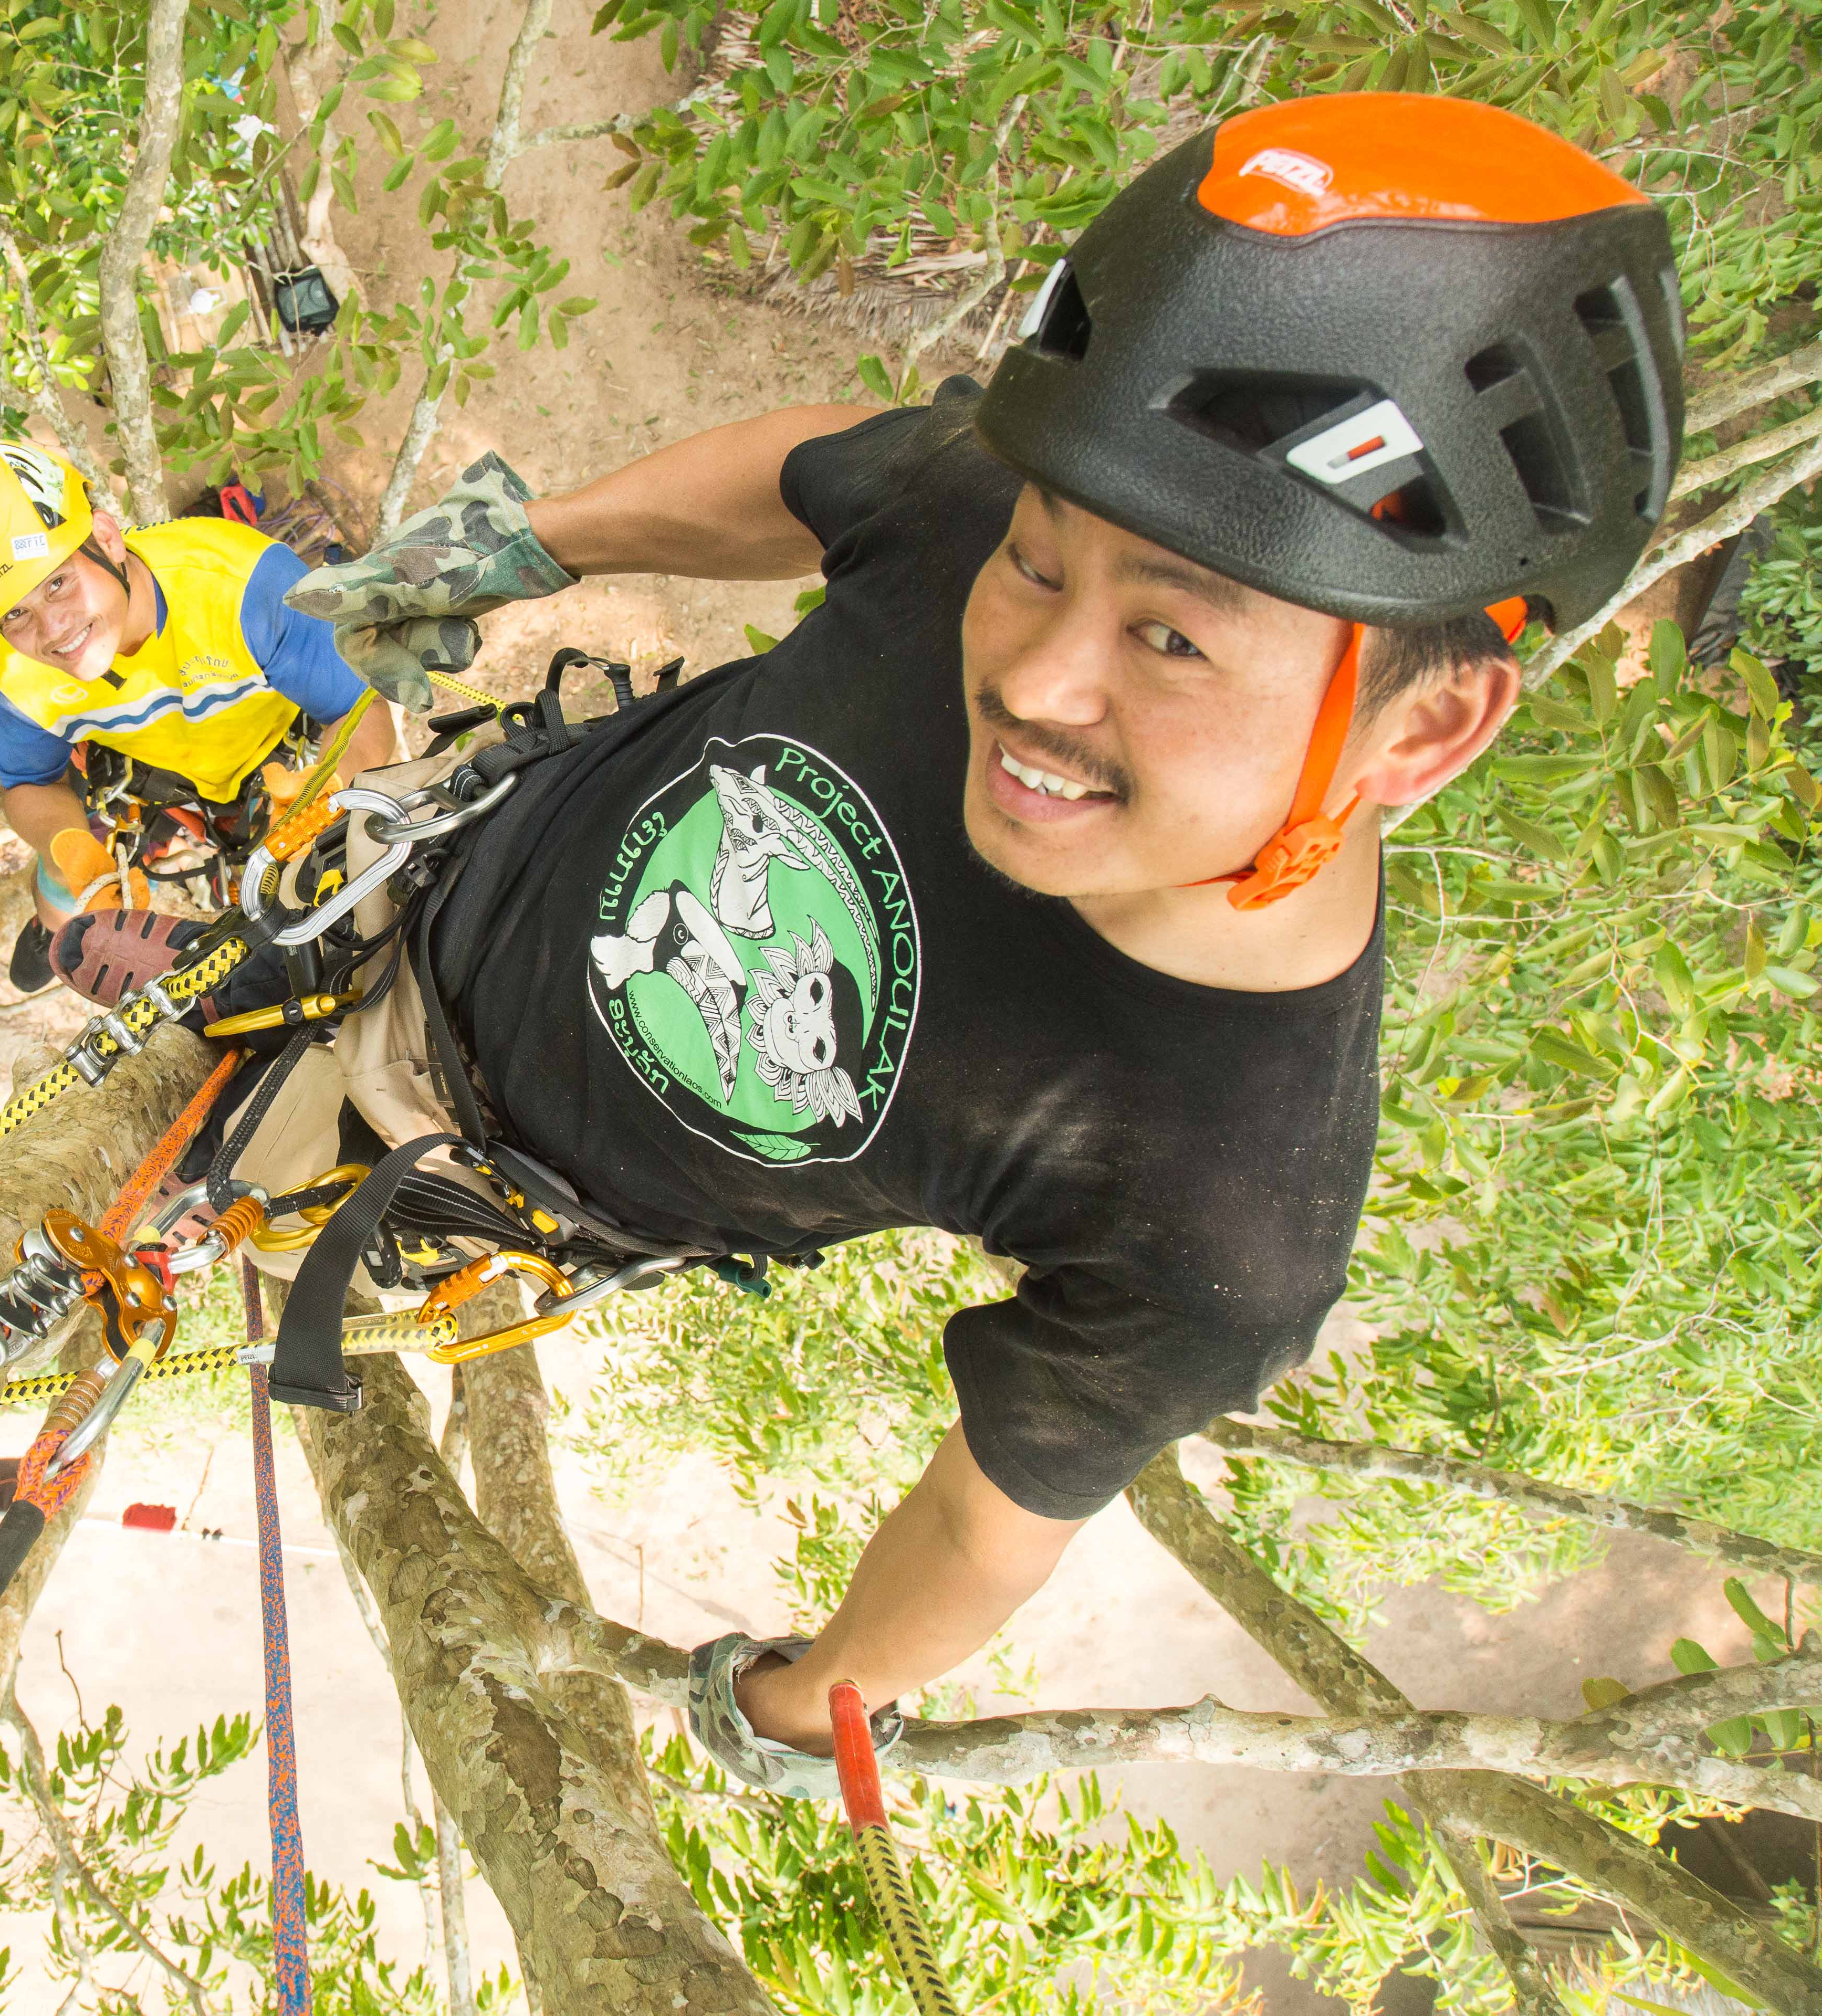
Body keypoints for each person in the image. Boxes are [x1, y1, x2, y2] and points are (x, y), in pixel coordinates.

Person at [260, 93, 1682, 1786]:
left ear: (1423, 734)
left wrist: (811, 1700)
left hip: (462, 1155)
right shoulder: (1013, 518)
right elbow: (816, 478)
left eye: (1169, 635)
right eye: (1035, 560)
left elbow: (989, 1525)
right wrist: (513, 551)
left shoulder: (1225, 1205)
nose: (1034, 675)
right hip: (456, 847)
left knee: (235, 1191)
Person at [0, 438, 399, 999]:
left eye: (57, 582)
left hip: (272, 761)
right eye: (16, 613)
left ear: (105, 538)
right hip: (137, 770)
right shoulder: (12, 667)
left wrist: (332, 793)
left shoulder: (242, 588)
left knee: (315, 897)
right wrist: (74, 852)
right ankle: (50, 923)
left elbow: (359, 709)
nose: (53, 631)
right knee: (62, 872)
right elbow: (29, 784)